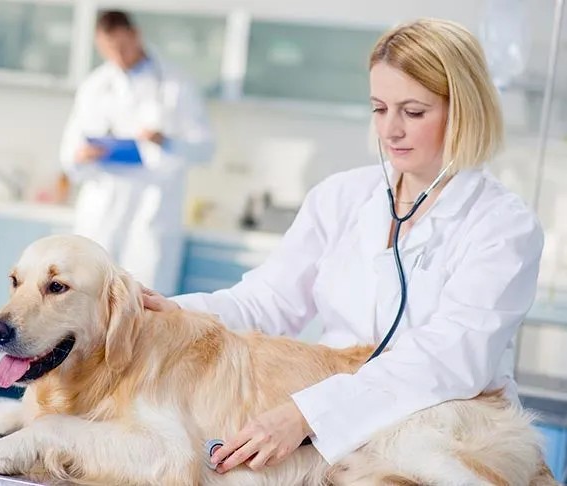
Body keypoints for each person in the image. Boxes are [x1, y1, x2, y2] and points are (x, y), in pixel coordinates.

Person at [143, 18, 544, 473]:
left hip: (446, 434)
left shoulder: (502, 224)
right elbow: (267, 301)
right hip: (330, 431)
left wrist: (308, 413)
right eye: (379, 108)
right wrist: (178, 313)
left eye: (413, 112)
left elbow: (450, 358)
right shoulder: (341, 197)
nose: (389, 130)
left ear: (464, 111)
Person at [59, 10, 215, 297]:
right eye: (108, 49)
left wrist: (165, 141)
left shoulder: (176, 85)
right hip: (102, 208)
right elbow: (69, 156)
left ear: (135, 35)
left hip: (151, 209)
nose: (117, 55)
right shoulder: (95, 86)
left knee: (146, 306)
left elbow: (205, 149)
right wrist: (83, 155)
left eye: (122, 46)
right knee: (87, 301)